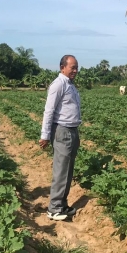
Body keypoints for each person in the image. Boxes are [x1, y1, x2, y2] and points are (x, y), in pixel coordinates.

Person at [39, 55, 81, 221]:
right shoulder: (58, 84)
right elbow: (49, 110)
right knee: (61, 170)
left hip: (72, 130)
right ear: (62, 67)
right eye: (72, 67)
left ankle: (62, 204)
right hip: (62, 131)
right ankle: (54, 208)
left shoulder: (70, 84)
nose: (75, 70)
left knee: (68, 170)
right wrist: (45, 135)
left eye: (76, 67)